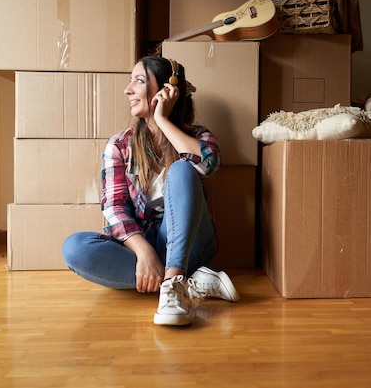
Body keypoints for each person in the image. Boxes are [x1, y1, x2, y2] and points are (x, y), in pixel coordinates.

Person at [62, 56, 239, 326]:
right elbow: (114, 208)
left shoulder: (198, 136)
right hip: (147, 245)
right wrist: (144, 252)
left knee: (181, 170)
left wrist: (162, 119)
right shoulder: (119, 145)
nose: (128, 89)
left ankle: (174, 280)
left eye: (139, 81)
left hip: (191, 244)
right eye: (130, 81)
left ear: (166, 91)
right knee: (74, 248)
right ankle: (185, 282)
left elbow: (208, 163)